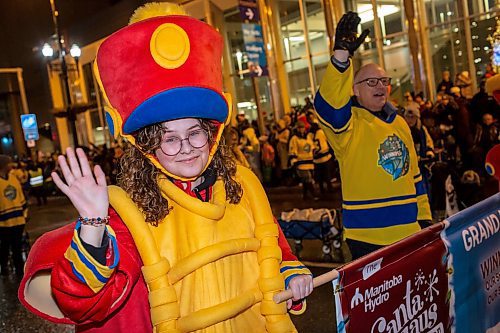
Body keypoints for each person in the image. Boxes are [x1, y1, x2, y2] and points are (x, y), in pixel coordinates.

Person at [18, 4, 313, 333]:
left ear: (211, 134)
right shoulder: (133, 213)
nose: (185, 147)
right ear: (148, 147)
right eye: (168, 138)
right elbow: (85, 304)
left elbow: (281, 256)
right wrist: (93, 225)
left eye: (194, 133)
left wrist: (295, 276)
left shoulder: (244, 188)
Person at [313, 11, 432, 259]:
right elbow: (329, 105)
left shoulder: (400, 123)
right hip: (367, 238)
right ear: (355, 90)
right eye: (371, 82)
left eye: (384, 80)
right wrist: (341, 57)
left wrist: (424, 219)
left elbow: (415, 177)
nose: (380, 86)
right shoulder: (347, 126)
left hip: (409, 233)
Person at [0, 155, 27, 276]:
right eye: (9, 164)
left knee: (17, 246)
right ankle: (4, 266)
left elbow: (21, 196)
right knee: (4, 245)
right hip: (3, 222)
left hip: (18, 220)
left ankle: (19, 270)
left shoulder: (13, 178)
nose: (12, 165)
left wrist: (25, 212)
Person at [289, 121, 318, 200]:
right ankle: (313, 194)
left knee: (306, 180)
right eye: (300, 128)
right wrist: (294, 162)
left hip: (310, 162)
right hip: (301, 163)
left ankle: (305, 195)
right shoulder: (294, 139)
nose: (302, 129)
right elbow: (293, 151)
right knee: (308, 178)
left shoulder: (307, 137)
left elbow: (312, 147)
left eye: (303, 127)